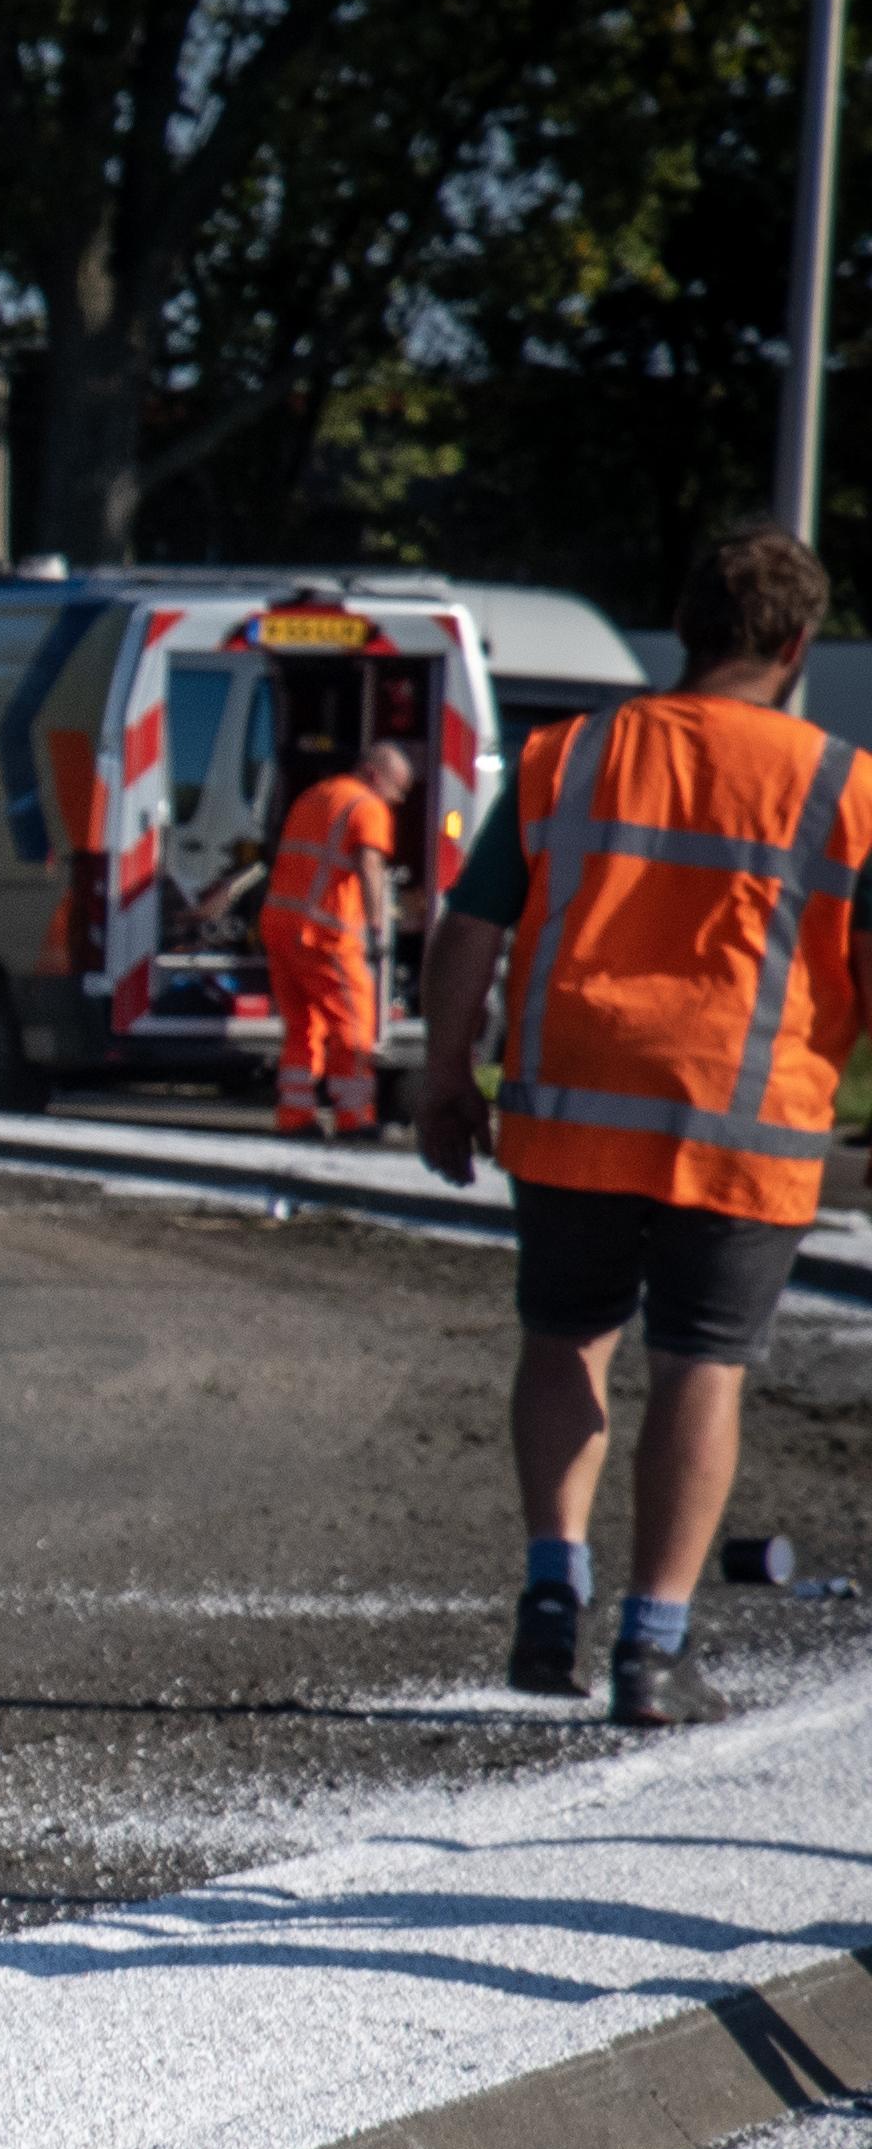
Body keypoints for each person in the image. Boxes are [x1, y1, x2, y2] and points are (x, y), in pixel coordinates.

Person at [417, 523, 869, 1728]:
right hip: (744, 1121)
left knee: (565, 1333)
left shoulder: (564, 756)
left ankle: (550, 1592)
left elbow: (467, 931)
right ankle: (652, 1647)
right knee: (699, 1365)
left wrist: (444, 1074)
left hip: (570, 1108)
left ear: (685, 627)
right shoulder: (845, 784)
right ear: (794, 642)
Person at [255, 735, 412, 1142]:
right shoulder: (366, 806)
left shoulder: (314, 797)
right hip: (326, 936)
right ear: (374, 774)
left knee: (302, 1027)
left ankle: (295, 1116)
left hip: (281, 926)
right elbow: (370, 866)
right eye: (396, 789)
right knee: (354, 1026)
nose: (396, 801)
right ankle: (355, 1118)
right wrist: (378, 927)